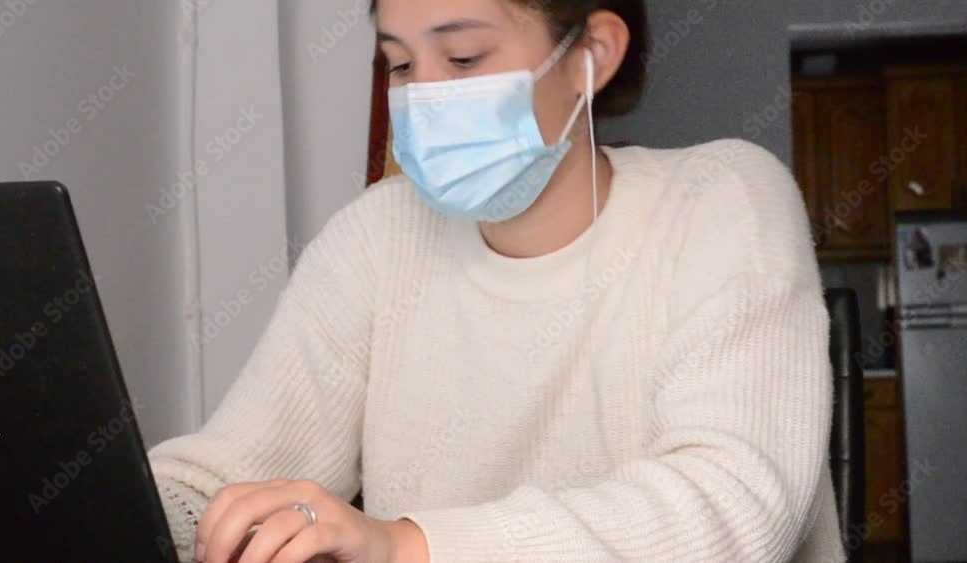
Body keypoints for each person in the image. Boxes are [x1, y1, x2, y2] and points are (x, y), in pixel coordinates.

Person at [148, 0, 846, 561]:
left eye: (462, 57)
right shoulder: (377, 235)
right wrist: (112, 511)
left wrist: (405, 546)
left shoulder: (723, 199)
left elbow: (733, 508)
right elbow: (221, 478)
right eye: (397, 64)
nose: (422, 97)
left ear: (590, 56)